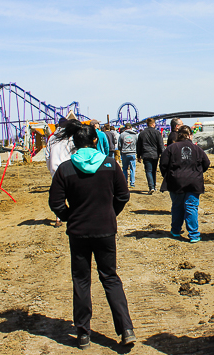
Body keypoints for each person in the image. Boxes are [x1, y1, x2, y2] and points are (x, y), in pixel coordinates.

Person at [48, 122, 136, 349]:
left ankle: (83, 334)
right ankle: (126, 329)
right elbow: (123, 195)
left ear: (74, 144)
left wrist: (69, 216)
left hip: (78, 232)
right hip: (105, 230)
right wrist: (110, 213)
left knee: (81, 280)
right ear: (95, 140)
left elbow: (55, 202)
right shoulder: (110, 164)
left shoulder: (65, 169)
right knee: (110, 277)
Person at [159, 125, 210, 243]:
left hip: (176, 181)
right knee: (191, 206)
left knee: (177, 205)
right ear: (190, 135)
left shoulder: (171, 148)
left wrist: (169, 176)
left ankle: (176, 230)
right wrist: (197, 172)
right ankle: (193, 234)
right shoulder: (197, 149)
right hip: (194, 182)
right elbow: (206, 163)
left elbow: (163, 164)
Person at [46, 118, 75, 227]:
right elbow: (74, 151)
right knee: (72, 193)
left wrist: (51, 169)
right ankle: (73, 214)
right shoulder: (70, 137)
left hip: (55, 169)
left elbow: (47, 155)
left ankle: (59, 218)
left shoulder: (52, 138)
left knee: (59, 195)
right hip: (69, 168)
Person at [136, 118, 164, 195]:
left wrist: (138, 156)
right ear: (153, 124)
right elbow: (161, 145)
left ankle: (151, 187)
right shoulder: (157, 133)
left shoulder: (142, 133)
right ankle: (154, 186)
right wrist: (163, 154)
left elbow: (139, 146)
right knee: (154, 171)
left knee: (148, 171)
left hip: (146, 154)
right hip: (155, 154)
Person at [118, 123, 138, 188]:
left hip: (125, 153)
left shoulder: (122, 135)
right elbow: (137, 144)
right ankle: (132, 183)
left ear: (125, 128)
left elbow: (119, 145)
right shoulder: (135, 135)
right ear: (131, 128)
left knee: (124, 168)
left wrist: (121, 150)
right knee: (132, 168)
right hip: (132, 153)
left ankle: (125, 182)